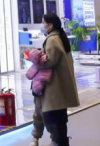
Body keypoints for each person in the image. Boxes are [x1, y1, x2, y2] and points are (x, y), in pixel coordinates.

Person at [30, 13, 79, 146]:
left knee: (53, 119)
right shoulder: (60, 37)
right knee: (59, 119)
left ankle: (58, 142)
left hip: (54, 86)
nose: (42, 25)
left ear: (50, 25)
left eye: (43, 22)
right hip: (60, 85)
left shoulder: (52, 40)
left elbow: (49, 62)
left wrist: (35, 58)